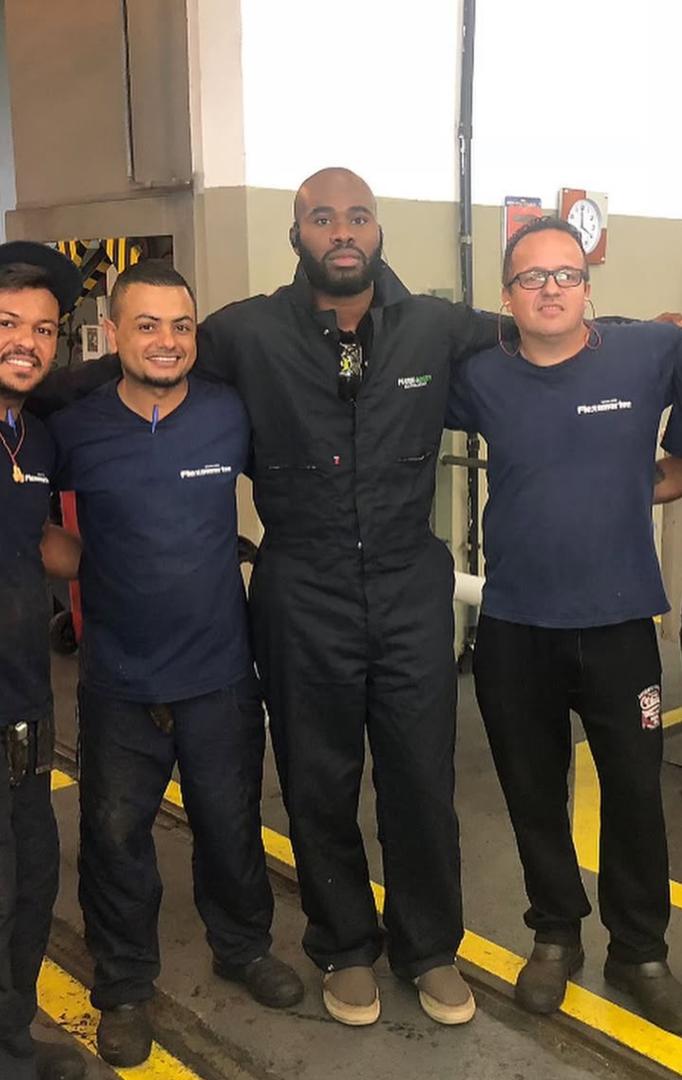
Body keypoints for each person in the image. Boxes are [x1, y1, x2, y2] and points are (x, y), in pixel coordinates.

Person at [196, 167, 510, 1027]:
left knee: (420, 777)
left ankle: (429, 948)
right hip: (302, 589)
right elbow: (145, 374)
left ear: (378, 232)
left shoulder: (436, 327)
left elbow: (541, 337)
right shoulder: (246, 333)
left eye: (359, 217)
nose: (343, 231)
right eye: (324, 217)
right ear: (297, 233)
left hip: (410, 585)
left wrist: (642, 338)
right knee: (317, 779)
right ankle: (343, 945)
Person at [48, 261, 302, 1069]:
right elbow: (28, 512)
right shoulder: (77, 428)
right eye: (148, 325)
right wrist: (82, 566)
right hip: (118, 680)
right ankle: (124, 985)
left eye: (181, 325)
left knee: (231, 825)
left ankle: (243, 946)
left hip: (219, 673)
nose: (167, 340)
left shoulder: (229, 414)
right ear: (113, 334)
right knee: (114, 837)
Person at [446, 215, 682, 1034]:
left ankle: (640, 951)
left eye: (566, 274)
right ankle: (555, 934)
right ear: (507, 295)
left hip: (621, 625)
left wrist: (665, 473)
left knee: (636, 795)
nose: (550, 289)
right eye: (532, 277)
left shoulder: (646, 352)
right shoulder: (481, 376)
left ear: (587, 287)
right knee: (533, 792)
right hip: (517, 626)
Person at [0, 242, 84, 1080]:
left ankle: (13, 1044)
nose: (26, 340)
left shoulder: (35, 438)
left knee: (30, 884)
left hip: (25, 704)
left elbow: (38, 542)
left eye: (44, 328)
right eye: (6, 322)